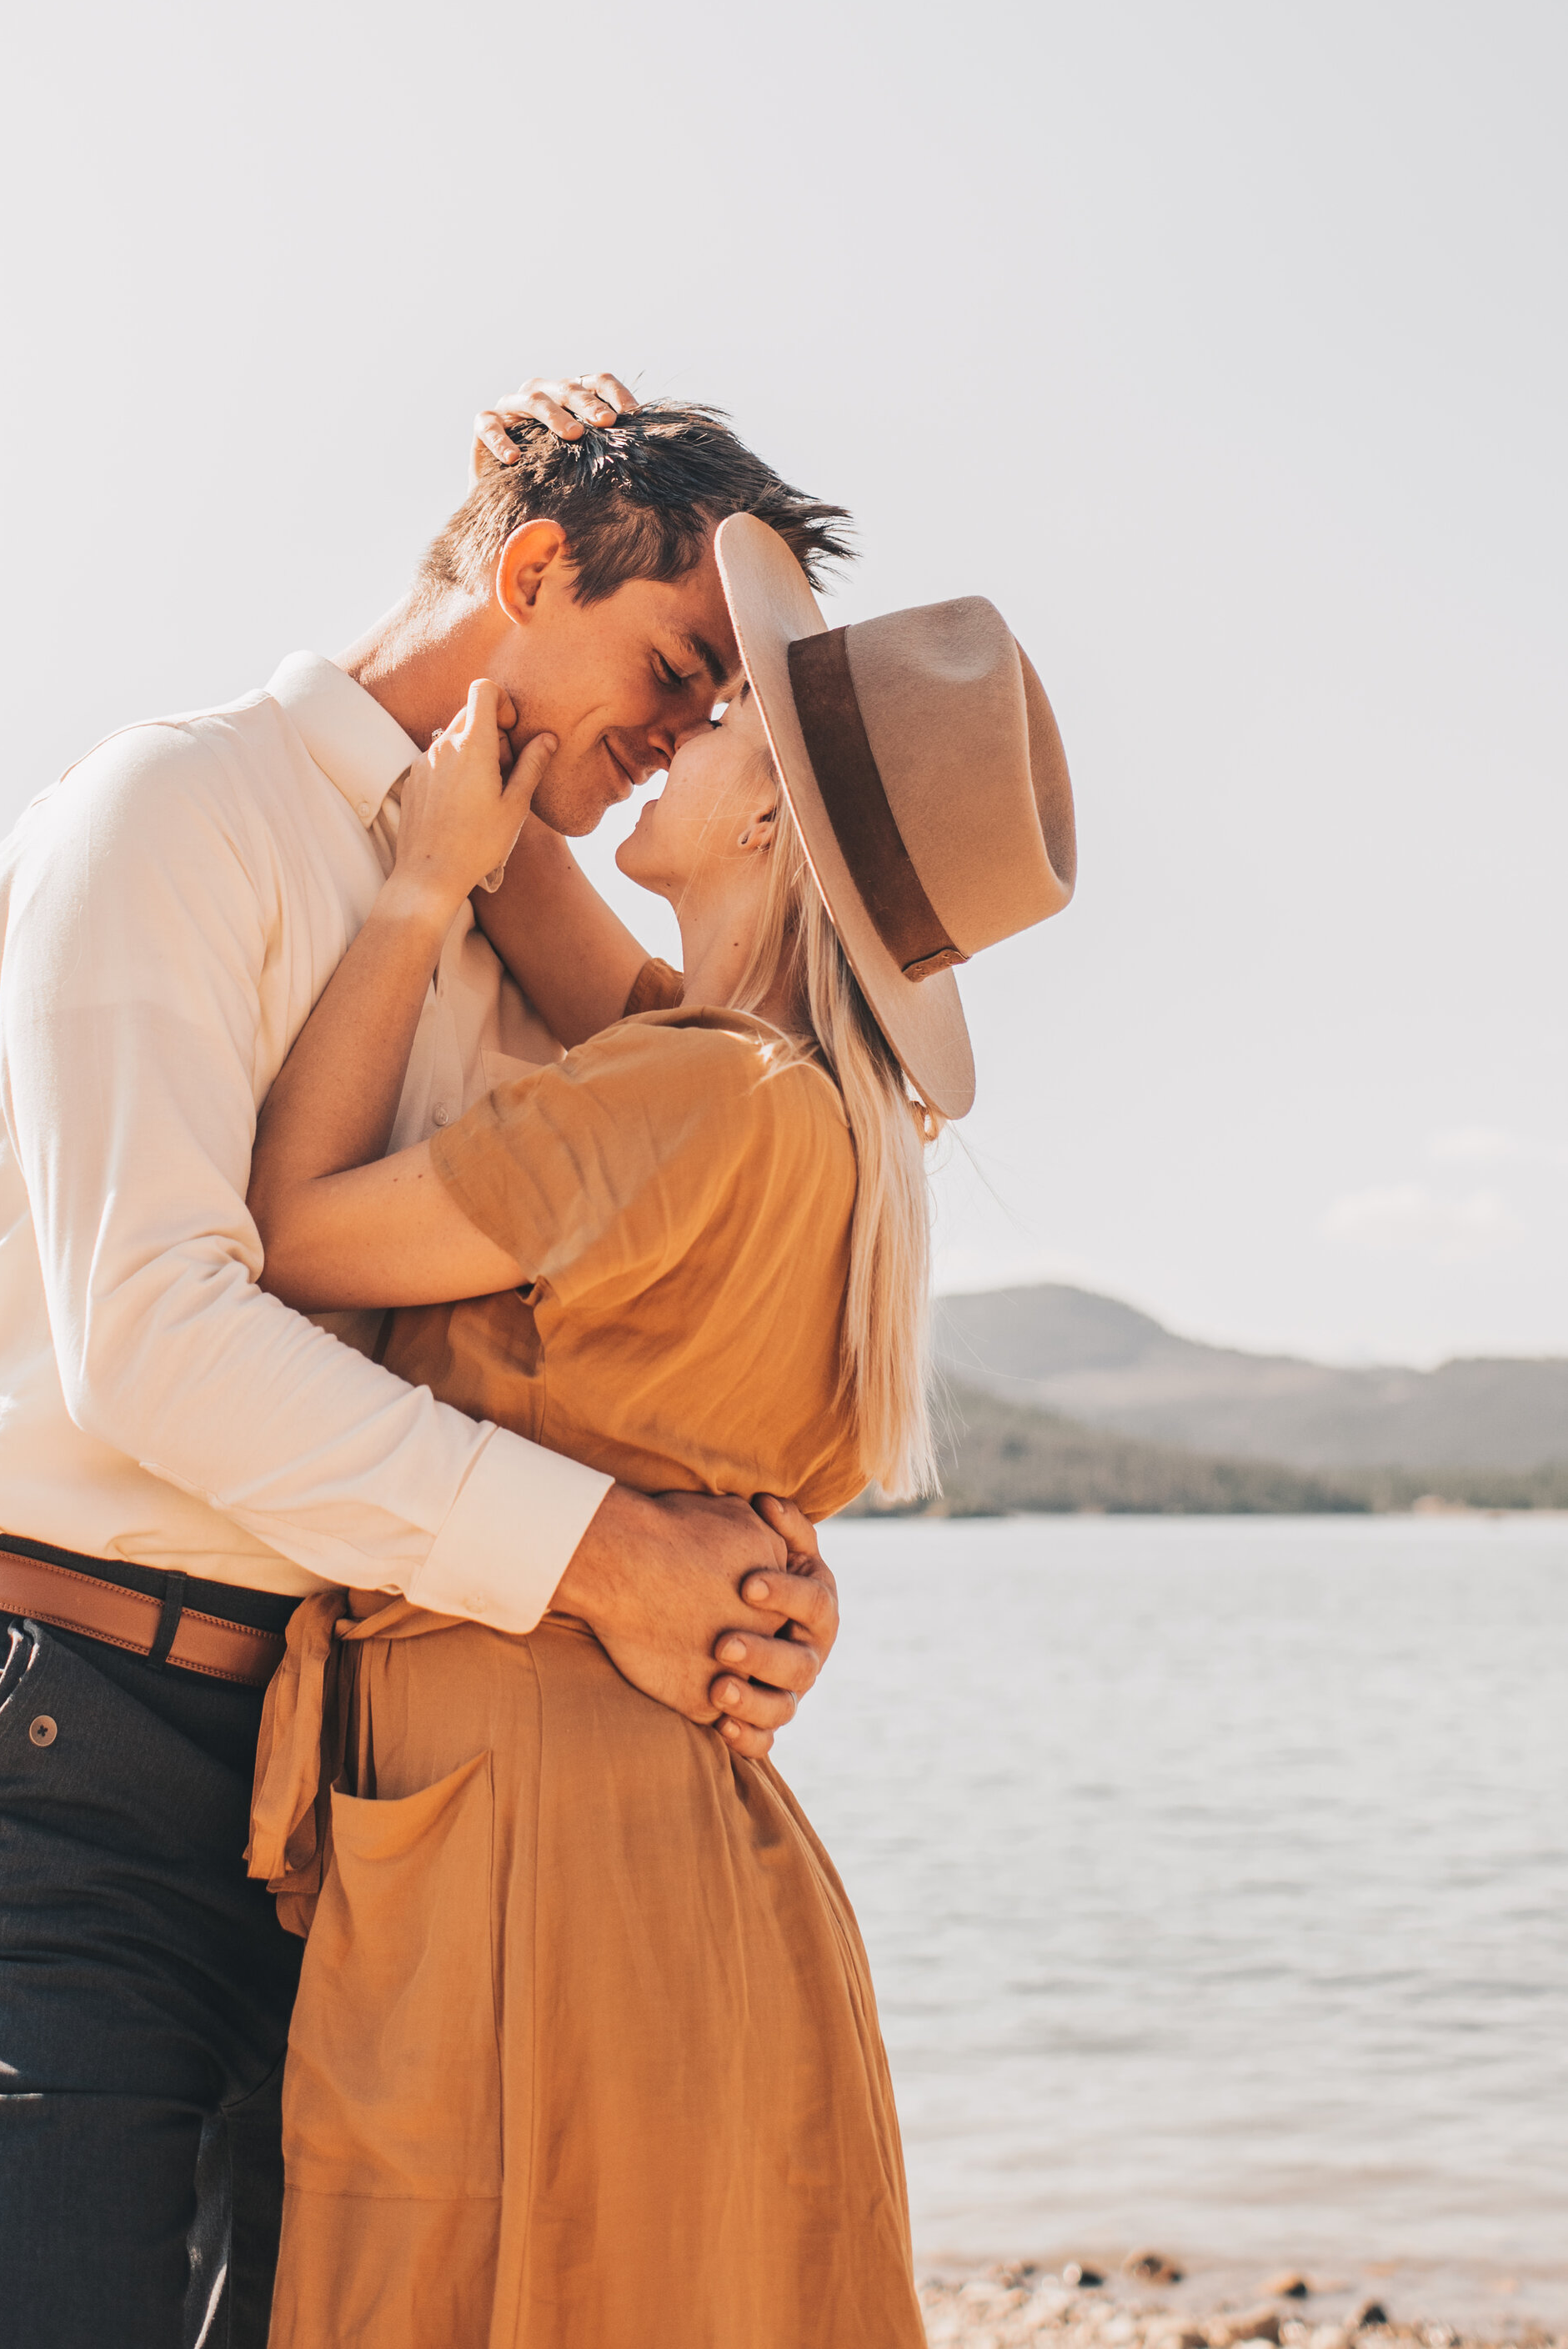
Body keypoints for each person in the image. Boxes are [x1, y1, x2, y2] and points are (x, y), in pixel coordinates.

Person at [0, 378, 861, 2349]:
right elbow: (151, 1337)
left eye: (717, 704)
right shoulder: (176, 806)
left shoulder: (517, 926)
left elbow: (674, 1268)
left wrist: (757, 1572)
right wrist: (603, 1559)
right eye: (674, 665)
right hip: (66, 1737)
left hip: (362, 1800)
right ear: (531, 569)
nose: (685, 731)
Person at [242, 513, 1078, 2348]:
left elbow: (288, 1230)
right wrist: (495, 560)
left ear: (767, 821)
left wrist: (401, 900)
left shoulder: (681, 1099)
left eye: (715, 721)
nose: (672, 722)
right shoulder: (811, 1124)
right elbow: (553, 889)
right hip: (684, 1847)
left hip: (517, 1854)